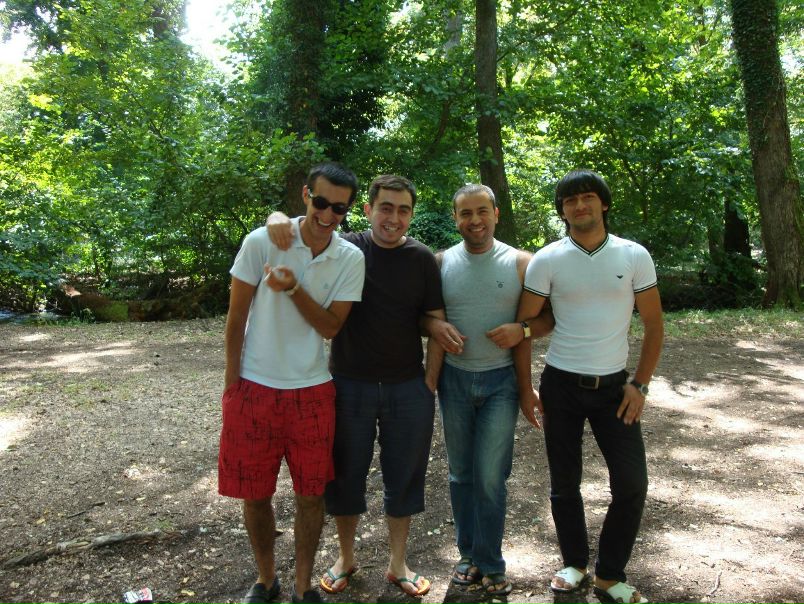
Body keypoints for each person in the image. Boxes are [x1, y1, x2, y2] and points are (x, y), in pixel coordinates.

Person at [266, 174, 448, 597]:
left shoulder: (422, 259)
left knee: (405, 476)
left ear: (411, 215)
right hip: (348, 385)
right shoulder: (345, 248)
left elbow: (436, 320)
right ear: (367, 210)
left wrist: (429, 383)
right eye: (385, 208)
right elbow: (303, 232)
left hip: (408, 387)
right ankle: (345, 557)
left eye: (403, 210)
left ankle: (398, 563)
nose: (393, 218)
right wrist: (277, 216)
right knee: (344, 477)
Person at [218, 162, 366, 604]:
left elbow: (331, 328)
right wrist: (232, 384)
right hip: (254, 388)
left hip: (313, 391)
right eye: (321, 202)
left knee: (311, 495)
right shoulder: (262, 241)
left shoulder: (350, 258)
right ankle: (266, 580)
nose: (328, 214)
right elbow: (235, 318)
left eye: (339, 208)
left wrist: (294, 287)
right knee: (255, 494)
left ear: (347, 211)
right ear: (305, 195)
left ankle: (303, 586)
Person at [514, 170, 664, 604]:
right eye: (570, 200)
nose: (579, 205)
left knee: (632, 484)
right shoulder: (547, 260)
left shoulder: (633, 255)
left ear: (603, 203)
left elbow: (654, 325)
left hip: (615, 388)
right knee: (565, 482)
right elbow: (523, 327)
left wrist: (640, 384)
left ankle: (610, 575)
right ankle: (575, 564)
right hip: (560, 385)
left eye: (588, 197)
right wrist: (526, 389)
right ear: (562, 210)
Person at [422, 184, 554, 596]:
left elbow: (548, 319)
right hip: (455, 380)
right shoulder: (440, 262)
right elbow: (423, 318)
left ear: (496, 214)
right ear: (455, 218)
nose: (474, 220)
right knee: (461, 474)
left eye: (482, 211)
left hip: (501, 383)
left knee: (491, 476)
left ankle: (491, 561)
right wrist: (434, 328)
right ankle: (468, 556)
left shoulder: (522, 263)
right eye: (465, 213)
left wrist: (522, 330)